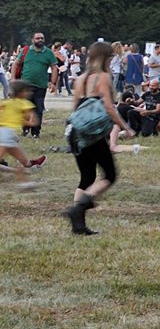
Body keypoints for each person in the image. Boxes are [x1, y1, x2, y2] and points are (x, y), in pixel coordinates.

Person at [62, 42, 136, 235]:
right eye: (110, 57)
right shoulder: (103, 77)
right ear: (105, 58)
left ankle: (78, 224)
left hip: (76, 131)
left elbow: (75, 108)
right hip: (93, 134)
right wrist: (125, 127)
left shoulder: (81, 79)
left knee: (87, 176)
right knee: (109, 175)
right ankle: (78, 209)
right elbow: (109, 107)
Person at [0, 82, 43, 190]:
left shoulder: (6, 102)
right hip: (8, 134)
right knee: (22, 161)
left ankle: (25, 184)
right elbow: (34, 122)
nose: (30, 92)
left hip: (5, 133)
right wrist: (26, 119)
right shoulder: (25, 104)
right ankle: (24, 183)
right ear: (21, 92)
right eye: (27, 90)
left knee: (23, 161)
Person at [17, 33, 57, 138]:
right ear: (32, 40)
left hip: (41, 86)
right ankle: (25, 129)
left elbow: (54, 67)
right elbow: (16, 64)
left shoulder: (48, 53)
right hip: (25, 86)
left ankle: (36, 132)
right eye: (37, 38)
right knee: (25, 109)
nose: (40, 40)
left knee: (38, 110)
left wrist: (53, 83)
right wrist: (13, 80)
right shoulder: (25, 51)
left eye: (42, 38)